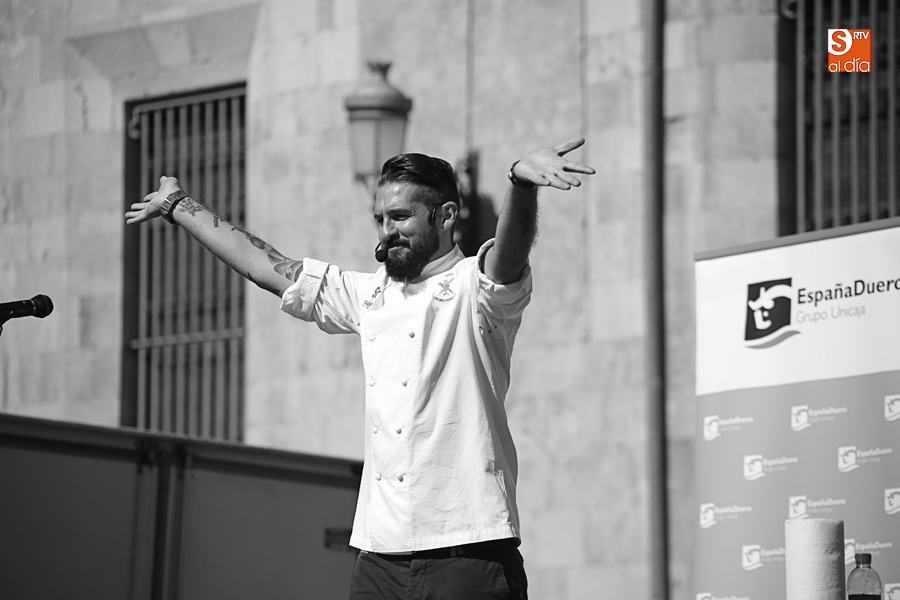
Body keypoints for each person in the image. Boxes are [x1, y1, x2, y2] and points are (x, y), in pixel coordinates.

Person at [126, 136, 595, 599]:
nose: (386, 231)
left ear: (447, 215)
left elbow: (509, 256)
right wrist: (178, 205)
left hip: (468, 554)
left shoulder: (475, 287)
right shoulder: (368, 295)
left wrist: (520, 185)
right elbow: (265, 266)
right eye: (380, 219)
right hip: (378, 561)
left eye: (400, 216)